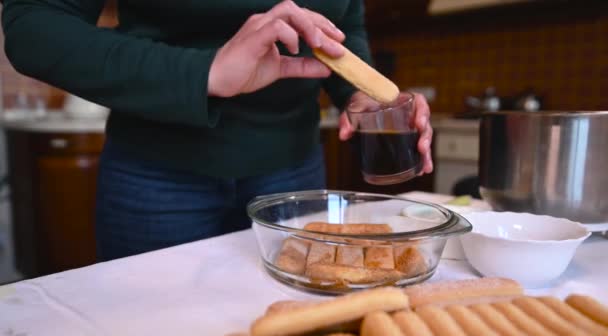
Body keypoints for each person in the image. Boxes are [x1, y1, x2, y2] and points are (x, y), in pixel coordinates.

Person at [2, 0, 433, 261]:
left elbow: (343, 22)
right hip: (158, 175)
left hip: (295, 172)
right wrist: (205, 73)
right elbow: (34, 25)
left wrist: (358, 91)